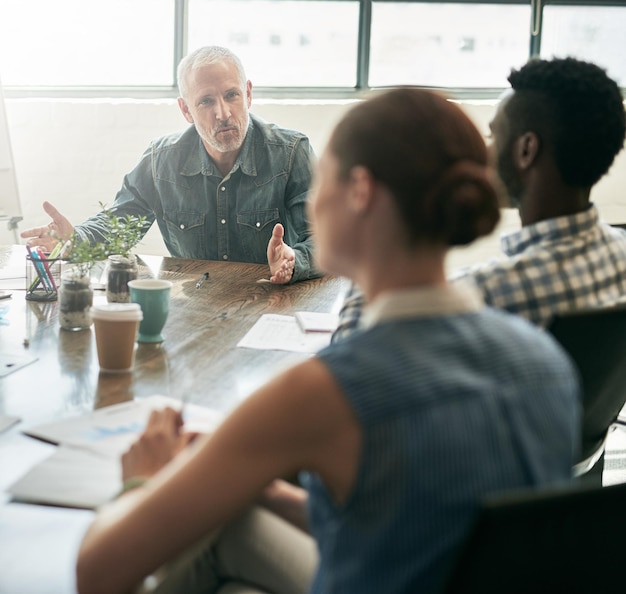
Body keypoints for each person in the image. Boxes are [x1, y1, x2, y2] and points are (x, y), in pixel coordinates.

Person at [76, 88, 580, 594]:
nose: (311, 203)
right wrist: (265, 490)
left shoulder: (324, 392)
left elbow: (97, 571)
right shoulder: (548, 361)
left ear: (359, 192)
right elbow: (421, 523)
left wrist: (143, 479)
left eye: (324, 182)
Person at [332, 56, 626, 340]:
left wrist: (376, 234)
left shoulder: (485, 292)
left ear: (526, 150)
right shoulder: (621, 254)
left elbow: (352, 355)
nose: (486, 152)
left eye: (493, 136)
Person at [20, 46, 320, 284]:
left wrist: (295, 259)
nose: (223, 113)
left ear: (249, 94)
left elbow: (325, 240)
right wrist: (75, 239)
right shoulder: (160, 161)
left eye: (232, 95)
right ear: (186, 109)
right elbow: (120, 225)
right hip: (197, 309)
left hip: (272, 302)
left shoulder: (292, 153)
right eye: (205, 101)